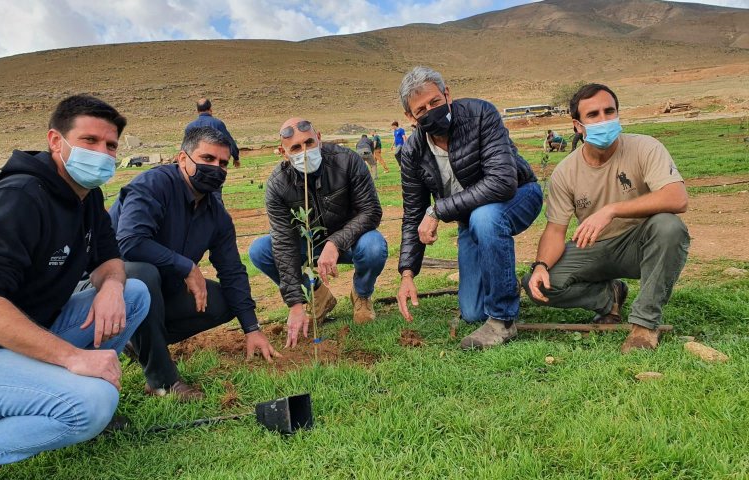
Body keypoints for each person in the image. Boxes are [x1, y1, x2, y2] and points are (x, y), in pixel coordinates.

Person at [0, 95, 150, 476]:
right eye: (90, 140)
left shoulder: (86, 196)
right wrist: (73, 357)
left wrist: (110, 288)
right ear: (56, 141)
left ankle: (51, 391)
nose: (102, 153)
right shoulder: (18, 198)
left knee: (133, 294)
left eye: (110, 145)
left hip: (17, 334)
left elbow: (109, 259)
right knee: (91, 404)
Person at [110, 127, 279, 402]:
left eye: (223, 163)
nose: (216, 168)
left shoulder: (216, 214)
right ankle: (163, 381)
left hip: (162, 293)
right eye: (207, 158)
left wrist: (252, 328)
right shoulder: (153, 186)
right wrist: (186, 266)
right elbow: (130, 242)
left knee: (224, 302)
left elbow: (232, 270)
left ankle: (137, 341)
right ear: (182, 159)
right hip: (109, 289)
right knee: (144, 274)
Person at [522, 83, 689, 353]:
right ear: (578, 126)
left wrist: (611, 210)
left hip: (640, 244)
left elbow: (677, 198)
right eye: (593, 115)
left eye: (609, 112)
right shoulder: (565, 171)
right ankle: (608, 297)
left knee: (669, 227)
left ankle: (644, 325)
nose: (603, 120)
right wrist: (540, 265)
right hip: (594, 247)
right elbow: (555, 231)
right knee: (539, 284)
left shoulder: (645, 147)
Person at [395, 66, 542, 350]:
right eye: (421, 109)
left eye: (435, 102)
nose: (431, 111)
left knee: (485, 217)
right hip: (468, 217)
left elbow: (502, 182)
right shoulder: (412, 152)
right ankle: (505, 282)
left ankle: (502, 321)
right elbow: (413, 214)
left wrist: (437, 210)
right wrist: (407, 273)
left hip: (519, 195)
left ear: (447, 94)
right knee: (473, 312)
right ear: (410, 117)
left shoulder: (480, 114)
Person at [249, 118, 387, 347]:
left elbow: (371, 211)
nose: (304, 152)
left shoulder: (347, 161)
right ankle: (317, 296)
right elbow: (283, 242)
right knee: (260, 250)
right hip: (308, 245)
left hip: (350, 240)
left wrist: (335, 242)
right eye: (295, 148)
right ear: (284, 153)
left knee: (374, 246)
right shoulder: (278, 184)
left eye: (309, 143)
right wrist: (295, 303)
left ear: (319, 139)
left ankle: (361, 294)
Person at [185, 98, 241, 167]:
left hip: (196, 164)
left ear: (197, 111)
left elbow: (185, 147)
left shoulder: (190, 127)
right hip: (214, 162)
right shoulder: (218, 124)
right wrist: (236, 157)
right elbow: (229, 142)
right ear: (210, 109)